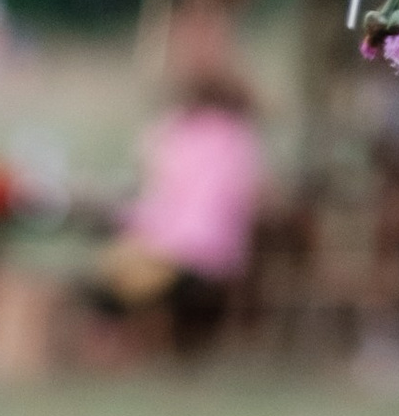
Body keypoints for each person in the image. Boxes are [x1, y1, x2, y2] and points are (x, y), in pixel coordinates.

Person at [91, 71, 268, 354]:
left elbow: (166, 206)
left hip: (183, 253)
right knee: (123, 267)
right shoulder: (240, 139)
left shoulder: (177, 137)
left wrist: (127, 217)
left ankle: (114, 346)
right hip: (220, 256)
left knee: (113, 272)